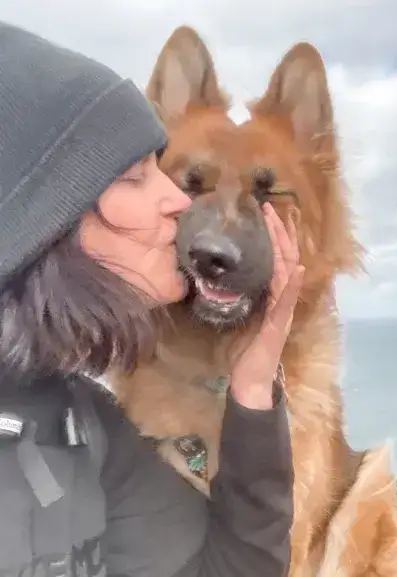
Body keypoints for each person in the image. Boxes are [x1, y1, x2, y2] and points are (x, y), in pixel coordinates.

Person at [0, 21, 304, 577]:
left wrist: (253, 383)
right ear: (39, 208)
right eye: (135, 175)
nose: (179, 201)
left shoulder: (81, 425)